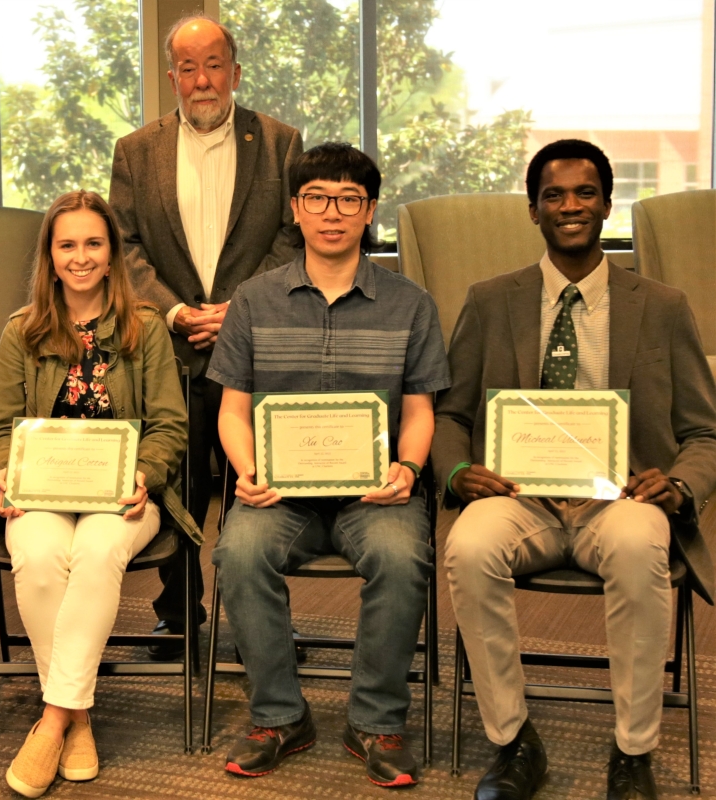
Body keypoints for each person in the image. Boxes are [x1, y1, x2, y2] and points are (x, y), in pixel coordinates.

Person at [434, 139, 716, 800]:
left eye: (585, 193)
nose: (570, 206)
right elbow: (451, 414)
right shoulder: (490, 298)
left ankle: (633, 752)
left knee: (643, 542)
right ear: (533, 210)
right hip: (518, 495)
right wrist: (457, 472)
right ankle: (512, 741)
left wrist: (677, 485)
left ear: (607, 204)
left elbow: (705, 431)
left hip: (618, 499)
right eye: (554, 195)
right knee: (468, 545)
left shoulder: (663, 305)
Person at [207, 143, 449, 786]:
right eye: (317, 198)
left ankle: (375, 722)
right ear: (295, 209)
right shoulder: (254, 300)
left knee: (401, 556)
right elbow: (232, 410)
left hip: (377, 495)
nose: (332, 213)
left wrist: (407, 468)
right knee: (238, 551)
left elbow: (421, 410)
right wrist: (247, 471)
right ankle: (280, 716)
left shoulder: (411, 304)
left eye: (349, 199)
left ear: (369, 211)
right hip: (278, 494)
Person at [0, 190, 199, 799]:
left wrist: (144, 473)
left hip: (124, 494)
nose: (81, 257)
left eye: (93, 243)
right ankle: (77, 715)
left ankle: (50, 720)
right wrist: (4, 475)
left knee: (96, 552)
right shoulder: (23, 331)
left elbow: (171, 425)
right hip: (39, 490)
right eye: (67, 244)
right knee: (40, 557)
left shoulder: (144, 328)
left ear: (112, 251)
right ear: (49, 253)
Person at [108, 14, 303, 656]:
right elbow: (126, 245)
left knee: (261, 488)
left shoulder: (280, 144)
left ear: (236, 72)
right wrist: (171, 311)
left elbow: (291, 237)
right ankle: (178, 616)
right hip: (173, 347)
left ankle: (261, 623)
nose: (201, 80)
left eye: (213, 64)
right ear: (171, 78)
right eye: (187, 68)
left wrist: (240, 308)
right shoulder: (136, 152)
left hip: (255, 346)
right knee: (178, 484)